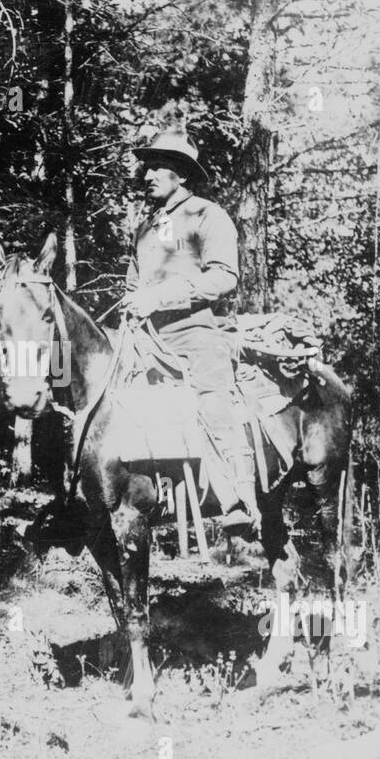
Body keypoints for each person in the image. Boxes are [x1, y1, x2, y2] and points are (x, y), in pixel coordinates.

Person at [121, 132, 260, 531]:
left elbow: (224, 277)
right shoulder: (145, 228)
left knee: (213, 404)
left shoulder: (207, 215)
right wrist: (131, 307)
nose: (147, 174)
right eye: (145, 166)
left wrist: (161, 296)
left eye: (157, 165)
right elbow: (133, 287)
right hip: (145, 339)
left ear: (180, 173)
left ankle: (237, 500)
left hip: (195, 333)